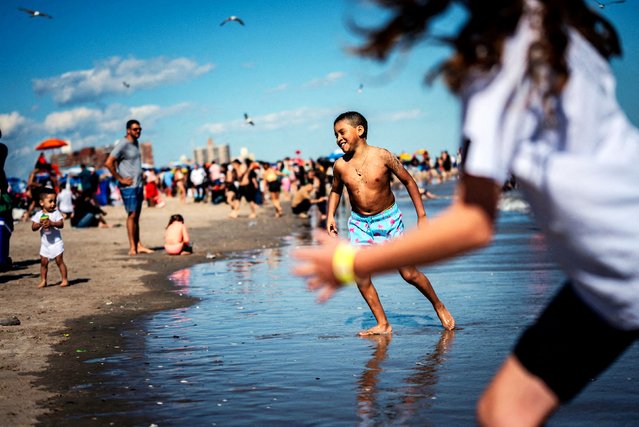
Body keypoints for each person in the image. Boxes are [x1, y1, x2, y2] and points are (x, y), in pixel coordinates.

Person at [293, 1, 639, 425]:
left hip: (625, 257)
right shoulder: (564, 39)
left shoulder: (494, 77)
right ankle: (384, 322)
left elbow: (473, 224)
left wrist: (348, 263)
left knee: (503, 412)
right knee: (503, 411)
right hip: (607, 278)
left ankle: (434, 307)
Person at [324, 111, 454, 336]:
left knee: (408, 273)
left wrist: (422, 216)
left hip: (388, 220)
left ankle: (438, 304)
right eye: (335, 135)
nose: (338, 138)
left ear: (360, 130)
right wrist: (330, 216)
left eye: (342, 132)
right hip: (359, 223)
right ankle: (383, 323)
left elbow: (409, 181)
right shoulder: (340, 166)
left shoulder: (382, 156)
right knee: (360, 274)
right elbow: (335, 191)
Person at [104, 119, 153, 256]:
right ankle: (132, 247)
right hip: (129, 186)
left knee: (136, 216)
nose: (138, 131)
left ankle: (138, 244)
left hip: (138, 184)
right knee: (131, 215)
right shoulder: (123, 143)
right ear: (128, 130)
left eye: (140, 129)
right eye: (135, 129)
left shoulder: (135, 143)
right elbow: (108, 163)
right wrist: (120, 179)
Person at [31, 188, 68, 288]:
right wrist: (39, 224)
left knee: (59, 260)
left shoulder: (56, 213)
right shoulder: (38, 215)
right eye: (50, 201)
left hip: (56, 242)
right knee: (43, 262)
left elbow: (61, 224)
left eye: (54, 201)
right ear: (42, 203)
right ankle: (44, 280)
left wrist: (52, 223)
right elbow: (33, 227)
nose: (53, 204)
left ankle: (64, 279)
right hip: (45, 244)